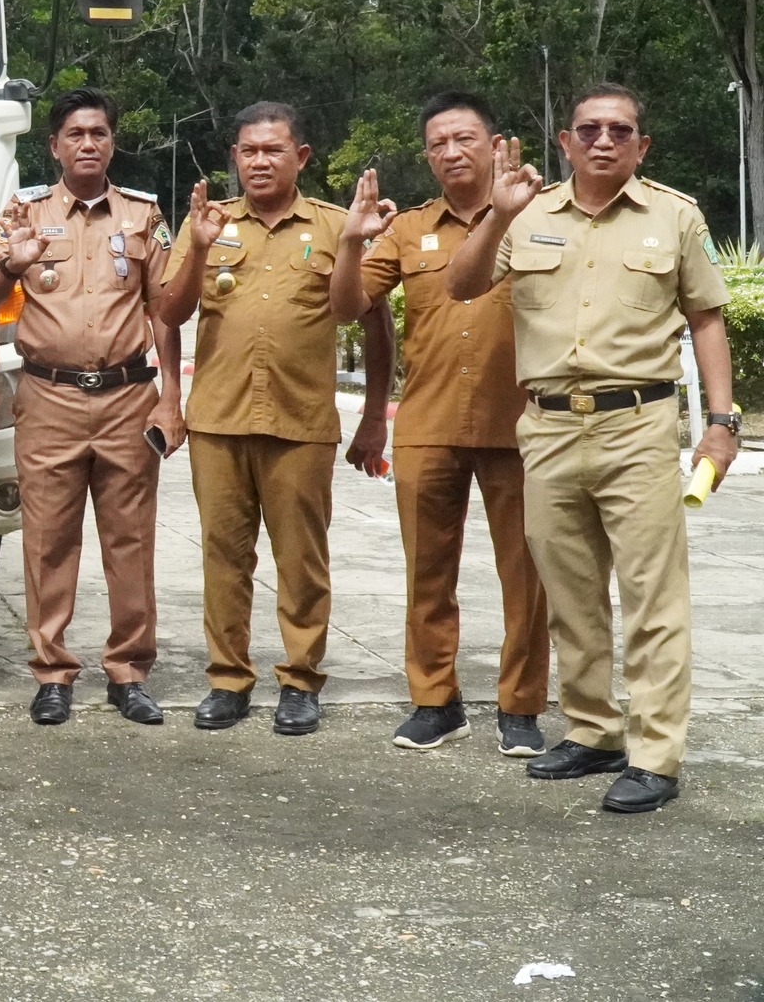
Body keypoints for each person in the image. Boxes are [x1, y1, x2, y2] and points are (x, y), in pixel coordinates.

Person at [446, 83, 736, 813]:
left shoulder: (673, 217)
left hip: (637, 425)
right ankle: (593, 729)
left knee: (652, 597)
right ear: (565, 142)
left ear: (642, 146)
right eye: (589, 129)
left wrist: (722, 422)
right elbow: (463, 282)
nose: (604, 140)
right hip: (546, 426)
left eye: (620, 130)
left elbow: (705, 319)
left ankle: (656, 754)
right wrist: (496, 215)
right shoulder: (529, 211)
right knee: (569, 593)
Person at [159, 101, 394, 737]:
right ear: (235, 157)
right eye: (248, 151)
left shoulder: (339, 226)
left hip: (300, 420)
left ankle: (300, 680)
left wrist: (375, 416)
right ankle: (228, 680)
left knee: (302, 558)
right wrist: (195, 248)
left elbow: (371, 319)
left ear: (301, 158)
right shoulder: (207, 223)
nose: (259, 161)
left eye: (273, 150)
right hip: (219, 419)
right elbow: (170, 311)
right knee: (224, 556)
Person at [330, 92, 551, 758]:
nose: (450, 152)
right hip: (427, 422)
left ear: (493, 143)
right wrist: (349, 239)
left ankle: (521, 706)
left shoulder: (539, 215)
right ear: (426, 155)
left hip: (521, 424)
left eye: (463, 138)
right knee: (428, 572)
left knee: (527, 574)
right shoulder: (407, 229)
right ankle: (435, 700)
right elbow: (347, 307)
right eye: (437, 143)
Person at [0, 88, 183, 728]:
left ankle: (128, 670)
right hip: (49, 397)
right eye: (75, 134)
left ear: (112, 142)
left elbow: (166, 312)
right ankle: (53, 672)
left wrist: (172, 398)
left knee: (130, 539)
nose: (88, 143)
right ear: (54, 145)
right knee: (48, 541)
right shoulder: (24, 212)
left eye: (99, 133)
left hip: (126, 398)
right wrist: (13, 264)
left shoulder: (144, 216)